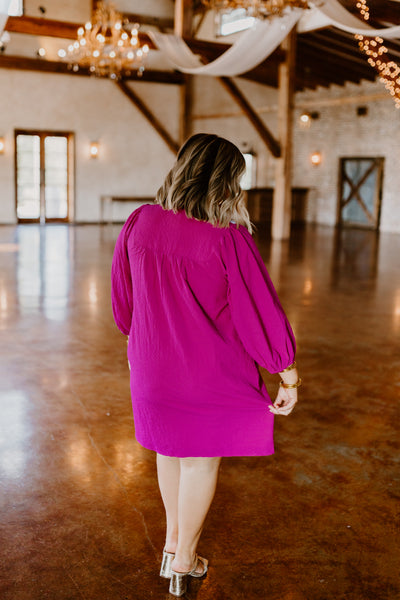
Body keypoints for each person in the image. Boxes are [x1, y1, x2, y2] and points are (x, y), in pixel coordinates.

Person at [111, 133, 300, 597]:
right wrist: (287, 373)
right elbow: (260, 313)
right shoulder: (228, 239)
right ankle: (184, 561)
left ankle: (173, 545)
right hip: (207, 373)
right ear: (227, 180)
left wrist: (138, 345)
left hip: (151, 365)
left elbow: (123, 300)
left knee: (169, 450)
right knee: (199, 462)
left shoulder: (139, 222)